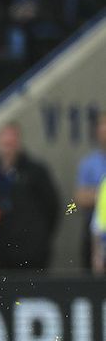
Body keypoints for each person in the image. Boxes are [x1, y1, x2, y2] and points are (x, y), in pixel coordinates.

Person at [0, 122, 59, 270]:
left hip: (32, 250)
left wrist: (40, 236)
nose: (7, 148)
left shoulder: (36, 171)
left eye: (11, 143)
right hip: (0, 249)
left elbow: (52, 206)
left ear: (19, 143)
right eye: (4, 143)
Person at [75, 114, 106, 270]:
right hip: (95, 232)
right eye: (102, 126)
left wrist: (95, 194)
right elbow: (79, 199)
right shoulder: (89, 163)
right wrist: (102, 195)